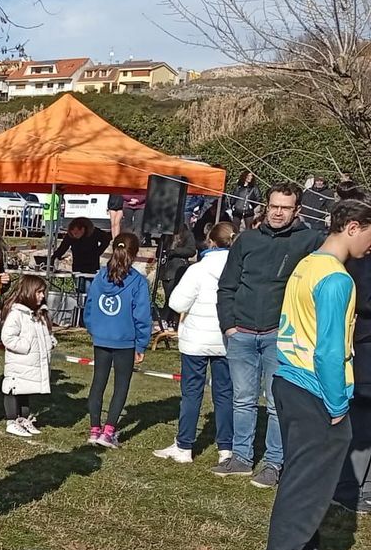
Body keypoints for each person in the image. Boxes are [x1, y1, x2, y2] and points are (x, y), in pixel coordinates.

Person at [255, 197, 371, 550]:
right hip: (316, 389)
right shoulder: (338, 279)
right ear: (353, 226)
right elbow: (328, 349)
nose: (370, 245)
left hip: (287, 380)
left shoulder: (308, 264)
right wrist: (338, 404)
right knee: (308, 483)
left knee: (306, 477)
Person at [214, 183, 322, 486]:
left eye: (285, 207)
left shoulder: (310, 241)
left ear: (297, 210)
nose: (278, 212)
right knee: (243, 399)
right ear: (266, 206)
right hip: (242, 333)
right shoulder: (246, 240)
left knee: (277, 403)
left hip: (280, 335)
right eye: (274, 205)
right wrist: (229, 325)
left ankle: (274, 463)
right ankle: (241, 458)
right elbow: (227, 285)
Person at [156, 223, 235, 464]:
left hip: (196, 340)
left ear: (210, 241)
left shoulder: (198, 270)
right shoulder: (240, 270)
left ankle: (184, 445)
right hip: (225, 339)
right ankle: (226, 448)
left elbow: (177, 303)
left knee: (192, 392)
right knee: (225, 394)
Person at [82, 232, 152, 447]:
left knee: (98, 382)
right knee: (121, 385)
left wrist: (94, 329)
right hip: (125, 340)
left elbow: (90, 307)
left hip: (102, 338)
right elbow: (141, 315)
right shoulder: (138, 282)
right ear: (136, 253)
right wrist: (141, 343)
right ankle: (108, 431)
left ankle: (95, 429)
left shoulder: (100, 277)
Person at [333, 217, 371, 515]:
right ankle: (347, 488)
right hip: (363, 355)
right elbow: (361, 300)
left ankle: (363, 487)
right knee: (359, 426)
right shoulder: (360, 262)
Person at [0, 274, 54, 437]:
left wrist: (49, 342)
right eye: (39, 292)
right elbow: (7, 337)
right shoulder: (17, 314)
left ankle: (23, 419)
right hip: (19, 362)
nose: (42, 296)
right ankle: (11, 421)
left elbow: (43, 334)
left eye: (43, 292)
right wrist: (25, 346)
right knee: (12, 389)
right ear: (29, 292)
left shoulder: (38, 314)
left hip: (30, 364)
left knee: (25, 390)